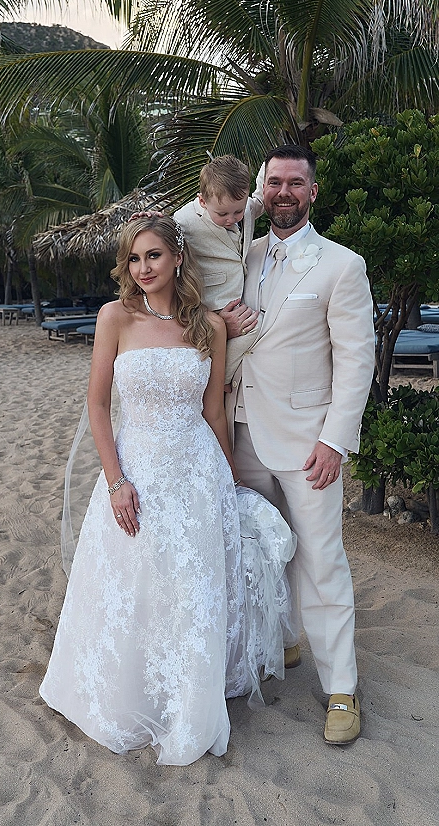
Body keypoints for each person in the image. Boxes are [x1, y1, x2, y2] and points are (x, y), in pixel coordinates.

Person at [39, 215, 295, 766]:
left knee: (190, 585)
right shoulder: (115, 317)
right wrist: (116, 483)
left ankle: (188, 697)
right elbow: (98, 405)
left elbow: (212, 414)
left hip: (197, 471)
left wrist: (229, 481)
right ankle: (131, 692)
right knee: (137, 579)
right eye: (134, 259)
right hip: (137, 467)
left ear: (177, 258)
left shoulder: (209, 325)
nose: (143, 268)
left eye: (153, 256)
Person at [224, 145, 375, 744]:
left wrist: (335, 440)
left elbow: (356, 360)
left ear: (313, 192)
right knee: (261, 548)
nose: (283, 192)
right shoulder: (241, 253)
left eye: (295, 183)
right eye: (274, 183)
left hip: (309, 441)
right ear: (262, 191)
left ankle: (341, 689)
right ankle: (282, 643)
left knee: (321, 562)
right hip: (239, 434)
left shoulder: (342, 265)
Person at [174, 155, 264, 383]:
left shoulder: (245, 208)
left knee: (253, 329)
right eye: (222, 214)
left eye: (238, 212)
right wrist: (151, 219)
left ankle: (219, 379)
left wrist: (269, 164)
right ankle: (218, 380)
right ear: (202, 201)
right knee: (251, 329)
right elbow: (162, 234)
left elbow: (260, 200)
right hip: (207, 304)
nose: (231, 219)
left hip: (234, 299)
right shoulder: (184, 219)